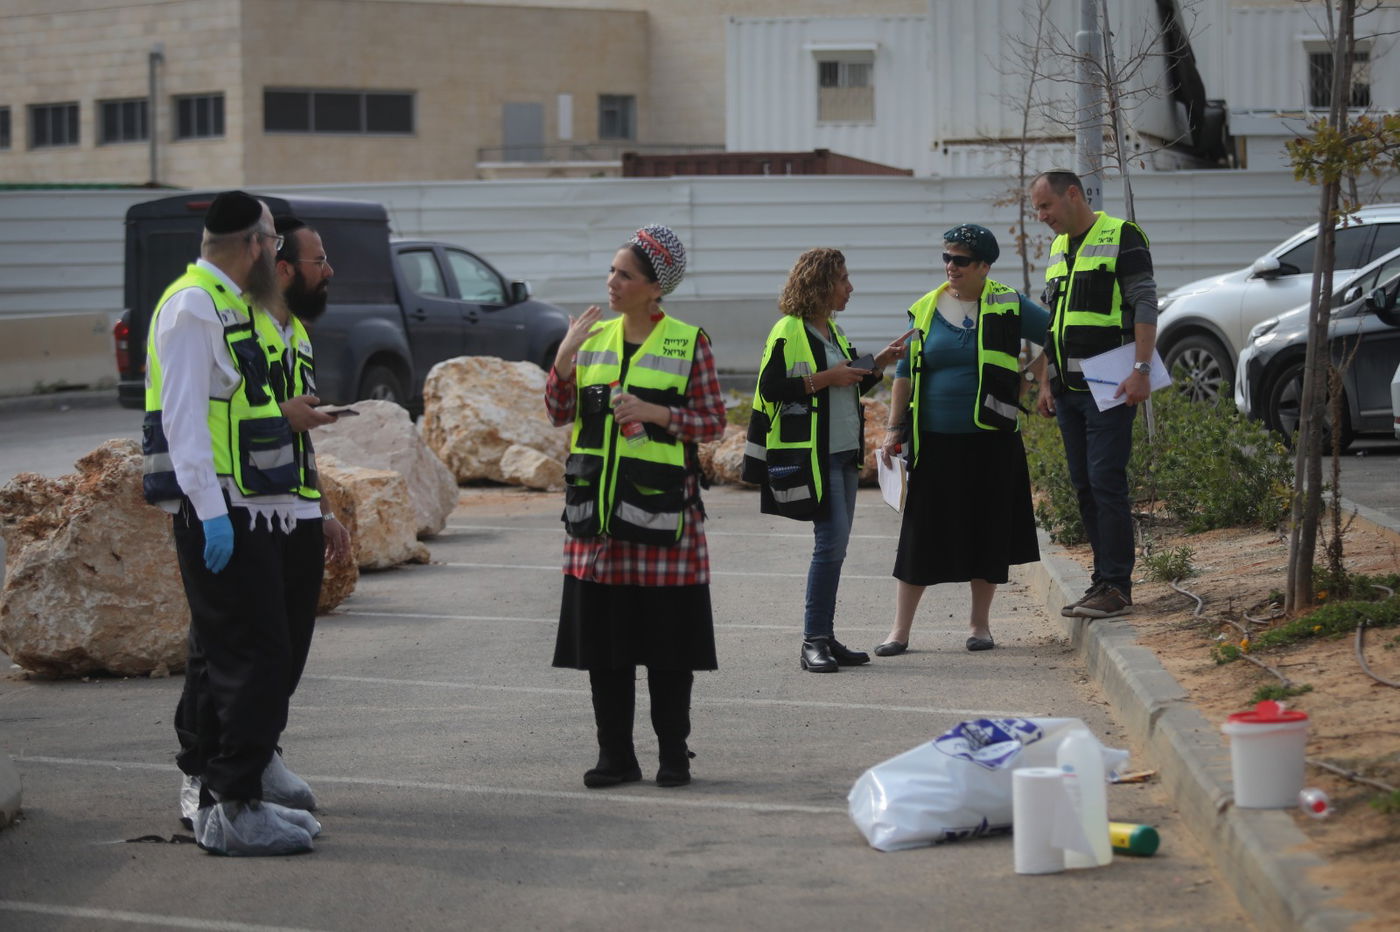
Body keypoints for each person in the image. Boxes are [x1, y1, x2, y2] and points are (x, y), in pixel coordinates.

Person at [144, 190, 323, 856]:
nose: (275, 253)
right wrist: (211, 516)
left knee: (265, 654)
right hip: (222, 510)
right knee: (245, 657)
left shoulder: (230, 304)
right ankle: (228, 807)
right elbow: (185, 424)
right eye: (273, 242)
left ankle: (246, 785)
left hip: (257, 507)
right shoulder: (193, 306)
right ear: (252, 244)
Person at [172, 214, 352, 832]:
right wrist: (211, 510)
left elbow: (290, 433)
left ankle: (258, 759)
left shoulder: (293, 333)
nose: (327, 272)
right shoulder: (216, 315)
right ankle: (214, 778)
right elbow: (200, 420)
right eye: (316, 260)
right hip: (233, 507)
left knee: (282, 653)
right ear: (278, 266)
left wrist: (322, 509)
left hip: (288, 506)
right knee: (233, 654)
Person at [546, 224, 727, 789]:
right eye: (612, 270)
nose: (612, 281)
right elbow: (558, 413)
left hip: (663, 519)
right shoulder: (592, 338)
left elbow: (714, 422)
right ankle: (616, 757)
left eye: (624, 274)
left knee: (669, 650)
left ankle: (674, 754)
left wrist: (656, 414)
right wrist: (563, 358)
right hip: (597, 524)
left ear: (654, 288)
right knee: (607, 649)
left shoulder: (686, 341)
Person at [876, 225, 1048, 654]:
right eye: (946, 258)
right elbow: (903, 376)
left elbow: (1058, 335)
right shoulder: (926, 308)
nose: (951, 267)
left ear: (985, 266)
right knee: (920, 535)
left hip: (992, 438)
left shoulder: (1008, 303)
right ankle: (900, 631)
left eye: (961, 260)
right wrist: (894, 429)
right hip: (934, 438)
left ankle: (979, 626)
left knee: (986, 529)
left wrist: (1029, 380)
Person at [743, 248, 908, 673]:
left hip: (841, 455)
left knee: (835, 547)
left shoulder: (831, 330)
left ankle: (825, 636)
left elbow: (846, 385)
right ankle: (813, 640)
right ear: (820, 284)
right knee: (829, 545)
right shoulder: (788, 330)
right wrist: (827, 378)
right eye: (843, 279)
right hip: (812, 457)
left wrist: (878, 364)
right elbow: (771, 388)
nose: (850, 287)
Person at [1028, 169, 1159, 619]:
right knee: (1085, 485)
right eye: (1037, 209)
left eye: (1046, 206)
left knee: (1107, 482)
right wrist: (1045, 381)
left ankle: (1117, 586)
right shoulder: (1059, 247)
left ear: (1072, 194)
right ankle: (1102, 581)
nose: (1041, 216)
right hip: (1067, 389)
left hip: (1110, 384)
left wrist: (1142, 369)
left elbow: (1144, 301)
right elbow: (1054, 322)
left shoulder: (1122, 234)